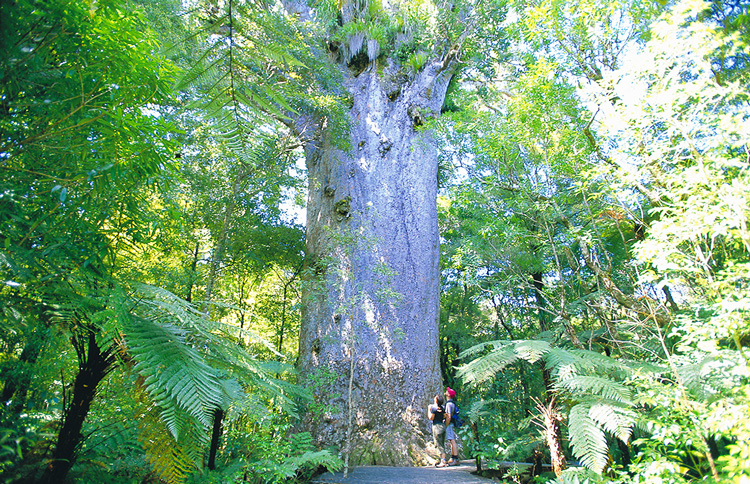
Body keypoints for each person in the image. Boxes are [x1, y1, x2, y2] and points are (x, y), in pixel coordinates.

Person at [427, 394, 448, 467]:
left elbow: (431, 418)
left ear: (436, 400)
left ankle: (443, 461)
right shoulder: (443, 408)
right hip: (442, 425)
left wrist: (429, 410)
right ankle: (442, 459)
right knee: (442, 443)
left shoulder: (433, 408)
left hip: (436, 426)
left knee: (439, 444)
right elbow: (445, 416)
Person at [444, 387, 460, 466]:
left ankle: (456, 458)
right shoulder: (451, 403)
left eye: (447, 391)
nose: (446, 391)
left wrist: (446, 425)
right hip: (451, 424)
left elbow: (449, 416)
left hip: (449, 424)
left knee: (452, 440)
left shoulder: (449, 404)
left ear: (449, 395)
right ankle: (453, 457)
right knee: (451, 440)